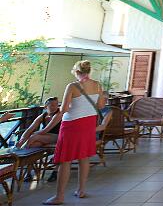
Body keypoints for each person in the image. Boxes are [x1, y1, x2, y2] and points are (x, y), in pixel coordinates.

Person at [43, 60, 106, 205]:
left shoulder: (72, 86)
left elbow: (64, 109)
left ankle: (59, 196)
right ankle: (81, 190)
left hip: (72, 124)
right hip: (89, 123)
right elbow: (101, 105)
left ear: (77, 72)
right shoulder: (97, 85)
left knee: (65, 160)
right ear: (88, 71)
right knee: (84, 157)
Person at [18, 97, 62, 183]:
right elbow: (30, 129)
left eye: (56, 105)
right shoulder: (42, 116)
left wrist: (33, 136)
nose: (55, 107)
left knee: (34, 137)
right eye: (52, 105)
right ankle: (28, 173)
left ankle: (21, 155)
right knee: (33, 145)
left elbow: (46, 130)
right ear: (46, 107)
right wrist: (22, 139)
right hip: (45, 138)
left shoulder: (58, 114)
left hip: (58, 137)